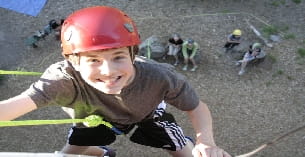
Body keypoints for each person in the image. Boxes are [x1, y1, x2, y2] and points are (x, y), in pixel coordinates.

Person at [0, 6, 231, 157]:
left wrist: (206, 141)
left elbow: (195, 106)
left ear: (132, 54)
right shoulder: (63, 80)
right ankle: (102, 154)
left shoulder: (159, 76)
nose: (108, 71)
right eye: (93, 60)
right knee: (68, 153)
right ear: (73, 62)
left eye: (118, 57)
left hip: (148, 113)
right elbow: (20, 103)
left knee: (184, 151)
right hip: (98, 118)